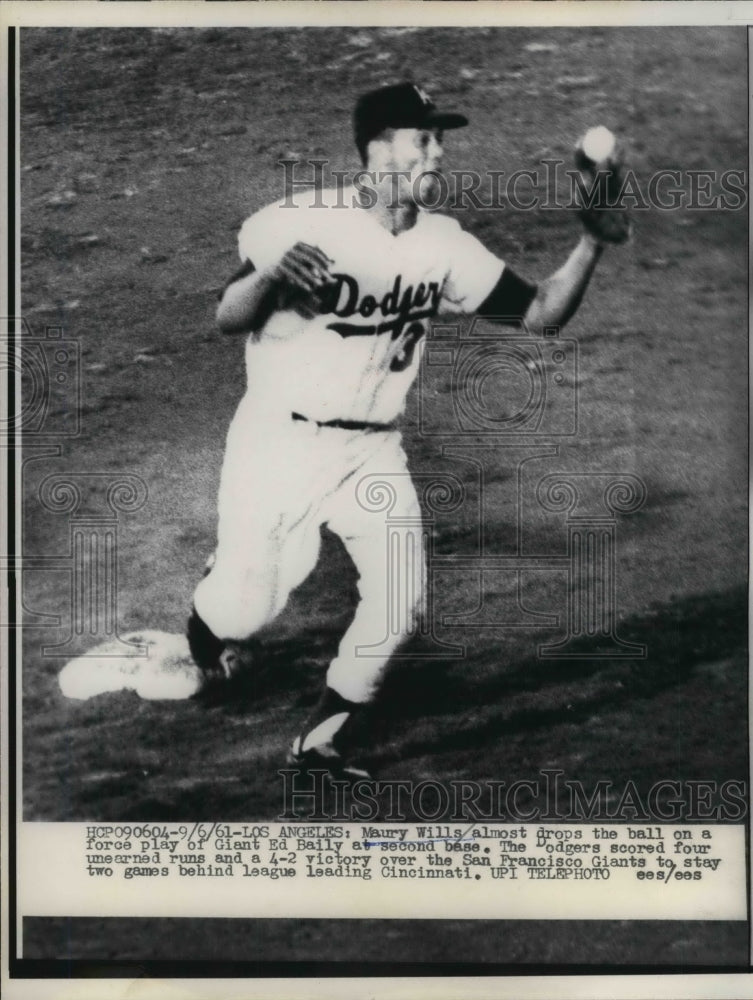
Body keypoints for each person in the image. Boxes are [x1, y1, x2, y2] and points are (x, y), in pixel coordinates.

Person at [187, 82, 628, 779]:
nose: (438, 150)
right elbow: (227, 316)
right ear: (377, 147)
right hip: (278, 441)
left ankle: (319, 742)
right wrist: (269, 274)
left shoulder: (443, 245)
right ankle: (211, 618)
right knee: (246, 605)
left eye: (440, 137)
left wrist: (588, 246)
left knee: (400, 602)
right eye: (424, 137)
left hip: (372, 451)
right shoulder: (300, 221)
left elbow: (539, 315)